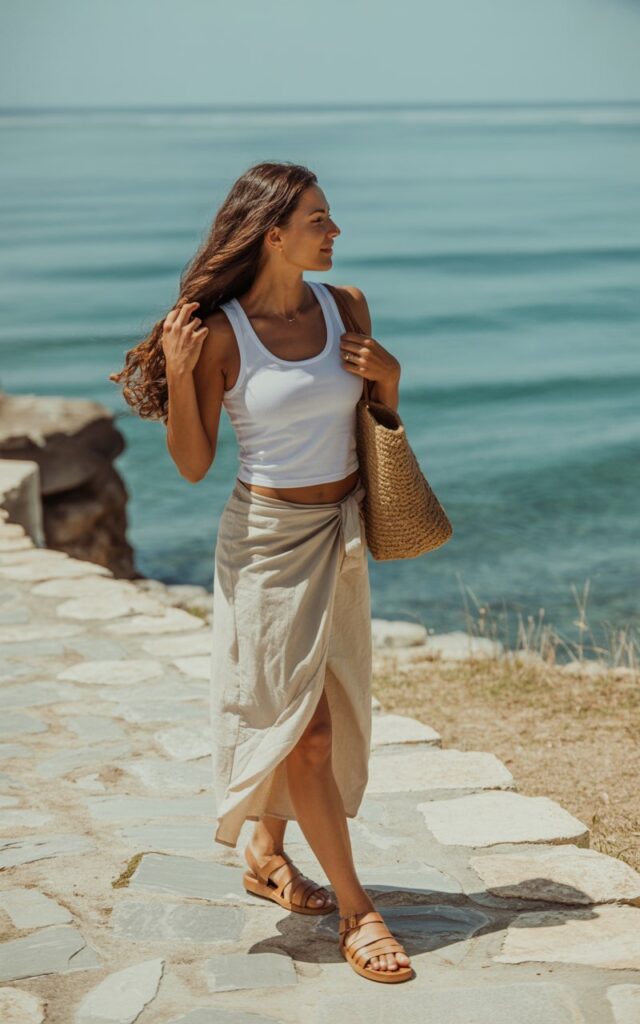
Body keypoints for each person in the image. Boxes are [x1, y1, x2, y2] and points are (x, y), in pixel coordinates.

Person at [109, 161, 412, 983]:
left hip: (340, 534)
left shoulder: (345, 306)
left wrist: (389, 379)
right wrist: (180, 374)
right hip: (267, 544)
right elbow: (193, 464)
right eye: (319, 219)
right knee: (308, 734)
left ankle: (265, 851)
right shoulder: (218, 335)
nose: (335, 230)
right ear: (273, 234)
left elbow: (371, 422)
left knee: (317, 705)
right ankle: (359, 911)